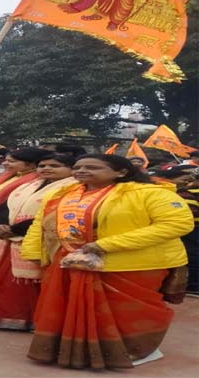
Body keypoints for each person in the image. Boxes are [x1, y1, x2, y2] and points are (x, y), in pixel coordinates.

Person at [21, 154, 193, 369]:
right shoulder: (61, 194)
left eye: (92, 167)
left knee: (128, 312)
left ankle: (136, 350)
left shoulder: (152, 193)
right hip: (69, 261)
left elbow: (177, 224)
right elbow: (40, 224)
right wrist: (31, 251)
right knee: (67, 309)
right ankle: (77, 352)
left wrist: (107, 244)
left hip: (132, 265)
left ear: (121, 172)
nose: (82, 171)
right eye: (78, 167)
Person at [0, 154, 77, 330]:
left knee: (33, 284)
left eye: (55, 165)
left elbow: (53, 215)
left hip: (37, 240)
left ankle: (29, 318)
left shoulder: (73, 189)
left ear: (70, 169)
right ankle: (0, 315)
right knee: (6, 284)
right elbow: (5, 206)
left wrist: (14, 229)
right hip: (9, 240)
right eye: (42, 165)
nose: (46, 168)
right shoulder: (30, 184)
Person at [155, 165, 199, 297]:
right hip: (192, 228)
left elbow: (190, 214)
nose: (185, 181)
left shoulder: (188, 192)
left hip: (192, 229)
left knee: (193, 256)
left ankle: (194, 285)